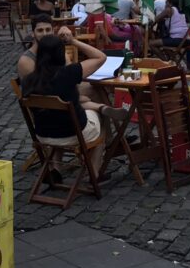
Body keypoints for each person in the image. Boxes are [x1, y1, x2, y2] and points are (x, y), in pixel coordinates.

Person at [22, 34, 129, 172]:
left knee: (67, 109)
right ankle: (94, 174)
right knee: (98, 120)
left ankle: (56, 168)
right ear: (61, 53)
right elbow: (101, 57)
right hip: (72, 133)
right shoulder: (69, 73)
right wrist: (73, 41)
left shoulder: (28, 80)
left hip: (42, 135)